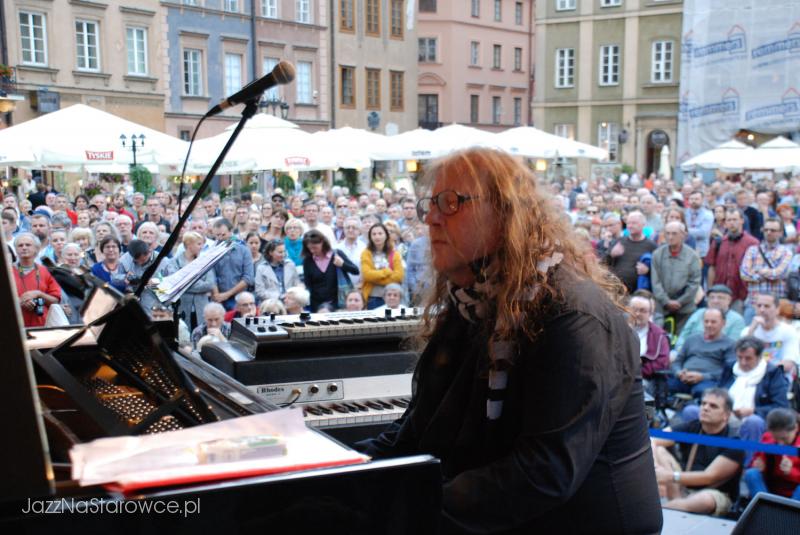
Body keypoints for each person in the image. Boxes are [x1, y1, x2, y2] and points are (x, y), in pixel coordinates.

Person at [355, 148, 662, 533]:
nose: (431, 218)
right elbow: (416, 432)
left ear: (505, 213)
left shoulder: (573, 316)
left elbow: (542, 473)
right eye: (430, 204)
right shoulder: (472, 302)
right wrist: (333, 473)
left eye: (450, 203)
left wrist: (398, 512)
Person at [652, 388, 745, 516]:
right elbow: (653, 440)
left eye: (713, 406)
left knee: (704, 500)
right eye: (703, 403)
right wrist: (656, 469)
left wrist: (668, 476)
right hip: (683, 487)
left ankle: (660, 512)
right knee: (659, 450)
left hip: (716, 493)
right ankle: (676, 504)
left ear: (726, 415)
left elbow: (709, 477)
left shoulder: (734, 442)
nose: (705, 408)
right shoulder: (693, 426)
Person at [669, 308, 736, 399]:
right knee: (665, 386)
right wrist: (679, 372)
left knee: (703, 392)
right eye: (706, 321)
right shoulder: (691, 339)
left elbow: (728, 371)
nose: (709, 325)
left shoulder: (729, 344)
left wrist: (703, 376)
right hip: (683, 378)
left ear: (723, 323)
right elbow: (677, 361)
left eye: (713, 322)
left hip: (709, 381)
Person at [705, 208, 759, 313]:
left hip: (741, 294)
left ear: (742, 220)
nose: (732, 223)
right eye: (729, 220)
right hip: (720, 292)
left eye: (735, 219)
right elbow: (712, 268)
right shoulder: (719, 242)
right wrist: (710, 290)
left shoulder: (752, 243)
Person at [739, 217, 792, 323]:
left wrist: (757, 271)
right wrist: (767, 274)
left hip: (776, 306)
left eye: (773, 230)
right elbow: (744, 273)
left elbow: (779, 274)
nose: (768, 232)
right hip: (753, 303)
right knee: (749, 332)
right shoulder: (752, 250)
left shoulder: (786, 252)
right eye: (766, 229)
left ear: (781, 233)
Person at [650, 221, 701, 330]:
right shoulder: (657, 254)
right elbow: (655, 282)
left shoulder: (692, 256)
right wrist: (666, 301)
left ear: (683, 235)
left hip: (685, 307)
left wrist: (680, 301)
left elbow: (694, 283)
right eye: (667, 233)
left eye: (674, 233)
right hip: (661, 306)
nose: (670, 237)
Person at [163, 231, 216, 332]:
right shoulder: (174, 262)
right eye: (199, 244)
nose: (202, 247)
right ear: (189, 245)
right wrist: (198, 284)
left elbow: (210, 284)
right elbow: (175, 285)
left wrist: (185, 284)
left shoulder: (205, 261)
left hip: (201, 308)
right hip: (182, 307)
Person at [745, 408, 800, 500]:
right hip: (770, 489)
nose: (781, 444)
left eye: (785, 438)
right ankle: (765, 505)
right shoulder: (767, 438)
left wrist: (791, 472)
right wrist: (758, 467)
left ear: (796, 428)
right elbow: (753, 464)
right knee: (751, 473)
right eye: (776, 439)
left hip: (794, 492)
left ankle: (790, 509)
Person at [742, 292, 800, 380]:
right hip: (751, 377)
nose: (762, 310)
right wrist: (751, 331)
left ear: (777, 309)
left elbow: (788, 363)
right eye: (759, 306)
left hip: (779, 377)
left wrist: (763, 372)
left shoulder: (788, 331)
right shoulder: (748, 331)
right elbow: (742, 361)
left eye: (767, 306)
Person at [674, 284, 746, 354]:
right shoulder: (698, 313)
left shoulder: (737, 319)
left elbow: (733, 346)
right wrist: (681, 350)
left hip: (716, 355)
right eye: (712, 297)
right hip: (689, 351)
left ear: (729, 300)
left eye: (720, 298)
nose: (715, 301)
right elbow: (683, 336)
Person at [13, 233, 62, 328]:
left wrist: (39, 294)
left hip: (42, 326)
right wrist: (20, 301)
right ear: (15, 249)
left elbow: (55, 300)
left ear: (37, 249)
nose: (24, 248)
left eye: (28, 245)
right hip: (15, 326)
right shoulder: (7, 272)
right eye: (20, 245)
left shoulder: (45, 271)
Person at [301, 230, 358, 312]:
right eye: (310, 248)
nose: (312, 251)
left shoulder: (337, 254)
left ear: (322, 243)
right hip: (317, 304)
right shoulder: (308, 261)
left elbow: (355, 271)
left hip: (338, 303)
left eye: (315, 248)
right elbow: (308, 284)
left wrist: (342, 264)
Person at [605, 211, 657, 293]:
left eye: (634, 223)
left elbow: (659, 270)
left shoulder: (651, 246)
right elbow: (603, 264)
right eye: (628, 223)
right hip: (617, 290)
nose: (630, 226)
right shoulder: (618, 242)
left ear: (643, 225)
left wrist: (648, 271)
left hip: (638, 293)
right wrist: (611, 255)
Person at [627, 292, 670, 389]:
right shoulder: (618, 329)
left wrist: (637, 373)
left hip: (645, 379)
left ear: (650, 314)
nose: (637, 314)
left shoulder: (659, 335)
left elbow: (661, 362)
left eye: (642, 311)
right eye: (634, 309)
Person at [211, 218, 254, 311]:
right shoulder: (212, 251)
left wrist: (227, 294)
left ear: (231, 232)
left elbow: (248, 278)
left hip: (239, 299)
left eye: (223, 234)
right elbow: (211, 276)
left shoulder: (244, 250)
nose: (220, 238)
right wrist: (217, 295)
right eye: (217, 235)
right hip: (217, 299)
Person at [361, 223, 404, 310]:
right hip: (373, 298)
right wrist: (386, 272)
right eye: (374, 234)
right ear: (370, 237)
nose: (377, 237)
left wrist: (375, 279)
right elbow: (367, 275)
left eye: (380, 233)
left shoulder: (394, 253)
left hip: (392, 297)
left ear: (386, 235)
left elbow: (399, 276)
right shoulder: (366, 253)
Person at [255, 239, 302, 303]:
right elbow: (260, 291)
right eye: (280, 252)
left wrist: (292, 295)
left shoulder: (290, 265)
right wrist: (279, 297)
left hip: (290, 301)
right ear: (270, 252)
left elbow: (296, 283)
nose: (283, 254)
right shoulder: (261, 268)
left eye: (284, 251)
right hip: (270, 302)